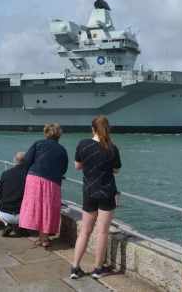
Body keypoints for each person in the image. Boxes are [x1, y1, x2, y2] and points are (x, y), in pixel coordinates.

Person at [70, 116, 121, 280]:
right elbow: (116, 170)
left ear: (92, 129)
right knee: (102, 232)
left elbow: (77, 166)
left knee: (84, 231)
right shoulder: (112, 148)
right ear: (108, 129)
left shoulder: (83, 144)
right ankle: (98, 269)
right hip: (106, 193)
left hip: (89, 192)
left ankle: (75, 267)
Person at [19, 123, 68, 247]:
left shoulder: (38, 143)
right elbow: (63, 169)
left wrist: (27, 175)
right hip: (52, 181)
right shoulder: (62, 150)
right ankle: (44, 238)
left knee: (36, 207)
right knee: (48, 209)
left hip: (34, 178)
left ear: (46, 133)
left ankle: (39, 237)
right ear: (59, 135)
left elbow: (26, 161)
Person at [0, 152, 28, 237]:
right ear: (26, 161)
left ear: (14, 160)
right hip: (23, 215)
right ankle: (22, 227)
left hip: (4, 213)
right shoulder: (29, 175)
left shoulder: (5, 174)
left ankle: (7, 225)